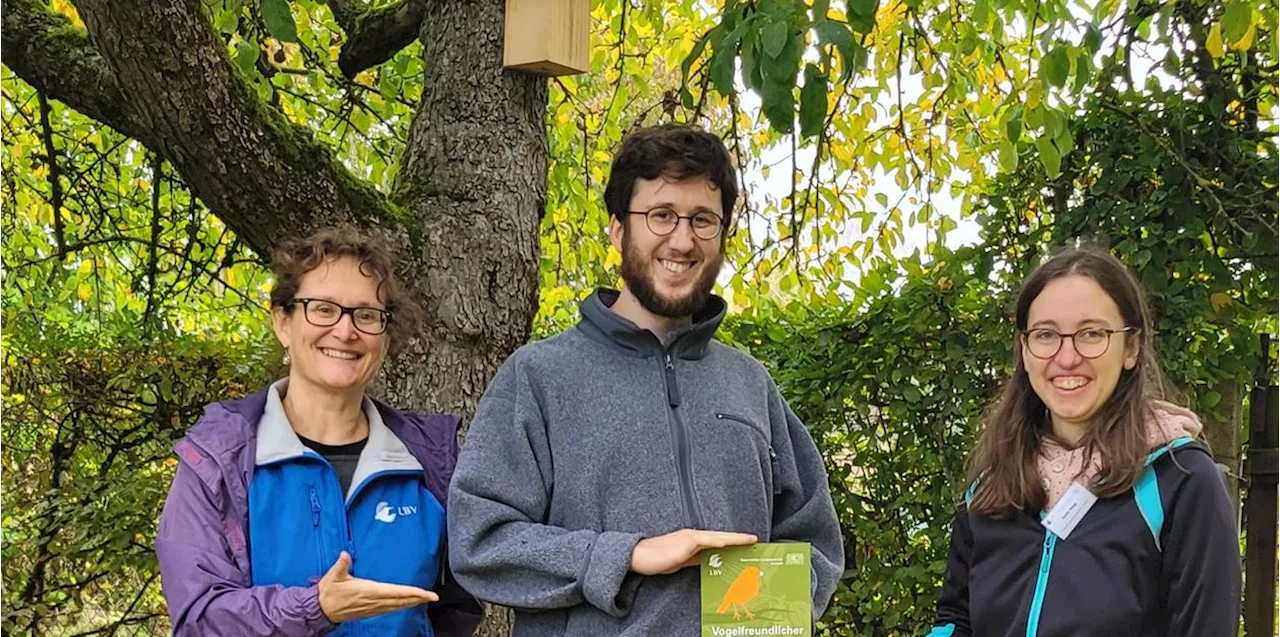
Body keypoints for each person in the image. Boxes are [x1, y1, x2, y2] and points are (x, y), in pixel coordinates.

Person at [446, 123, 845, 635]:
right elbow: (480, 541)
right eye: (661, 216)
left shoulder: (748, 382)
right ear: (618, 230)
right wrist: (624, 556)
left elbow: (813, 537)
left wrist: (762, 619)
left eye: (703, 219)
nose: (682, 240)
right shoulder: (539, 377)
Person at [156, 228, 482, 636]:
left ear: (385, 336)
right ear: (283, 322)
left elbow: (456, 610)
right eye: (323, 309)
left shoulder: (431, 465)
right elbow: (198, 619)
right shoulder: (220, 462)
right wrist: (315, 608)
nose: (345, 332)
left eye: (365, 315)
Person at [927, 247, 1240, 637]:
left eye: (1092, 334)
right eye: (1046, 335)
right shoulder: (991, 485)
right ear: (1025, 351)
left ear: (1131, 348)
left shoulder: (1180, 480)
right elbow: (957, 619)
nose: (1067, 357)